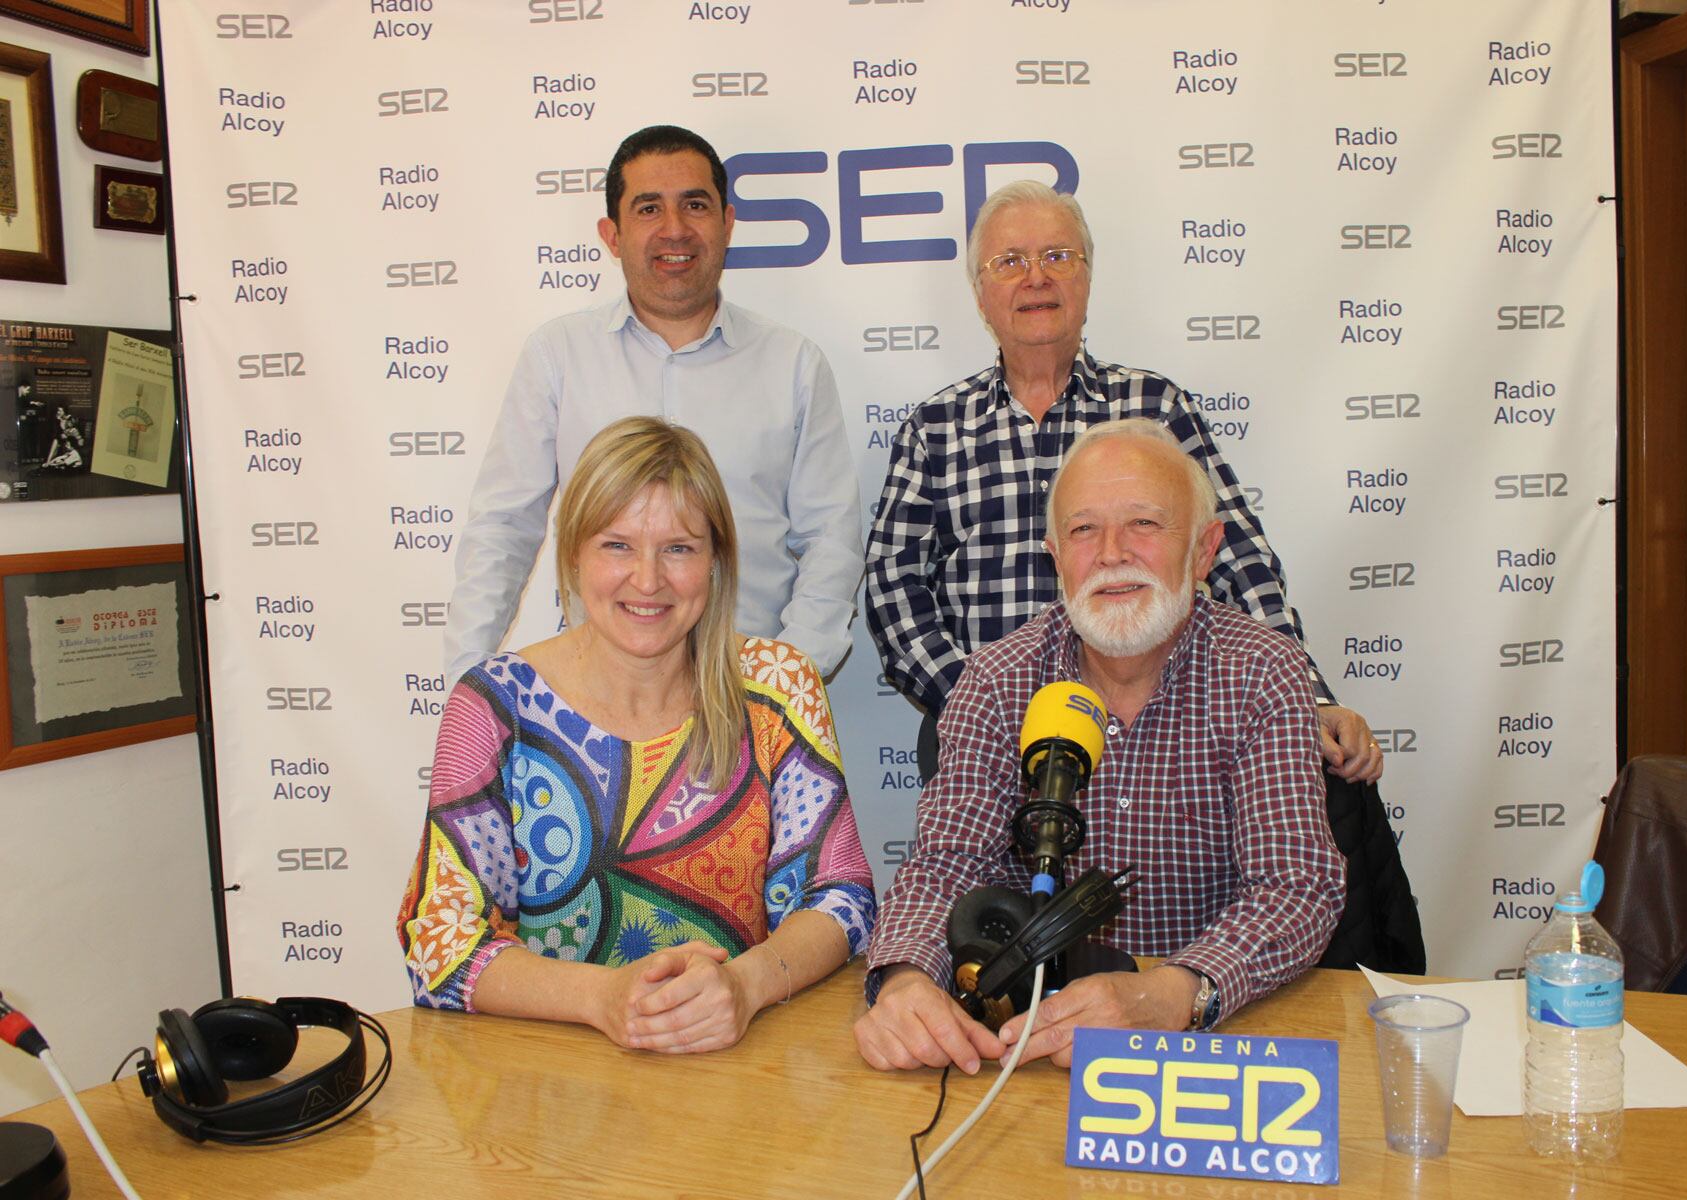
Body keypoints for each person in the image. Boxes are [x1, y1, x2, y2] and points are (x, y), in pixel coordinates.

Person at [855, 419, 1346, 1073]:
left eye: (1144, 524)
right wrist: (905, 980)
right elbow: (945, 869)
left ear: (1203, 552)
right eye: (1084, 530)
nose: (1112, 553)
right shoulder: (999, 679)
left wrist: (1171, 994)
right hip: (1025, 1050)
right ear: (1056, 557)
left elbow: (1295, 886)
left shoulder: (1262, 670)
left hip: (1207, 1039)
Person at [864, 180, 1381, 783]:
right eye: (1010, 262)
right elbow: (892, 591)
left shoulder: (1155, 407)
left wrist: (1306, 699)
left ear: (1087, 278)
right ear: (980, 294)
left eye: (1057, 256)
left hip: (1161, 729)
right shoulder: (936, 428)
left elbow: (1238, 559)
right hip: (986, 741)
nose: (1036, 277)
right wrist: (982, 709)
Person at [402, 417, 876, 1053]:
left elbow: (840, 898)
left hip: (741, 1071)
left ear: (715, 562)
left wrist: (744, 986)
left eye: (678, 548)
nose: (648, 580)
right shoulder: (494, 705)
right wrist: (602, 999)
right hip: (549, 1083)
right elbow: (439, 940)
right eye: (617, 545)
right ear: (573, 553)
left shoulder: (778, 688)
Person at [446, 124, 861, 681]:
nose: (674, 229)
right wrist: (469, 683)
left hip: (746, 693)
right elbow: (503, 528)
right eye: (648, 209)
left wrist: (786, 680)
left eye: (695, 205)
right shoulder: (558, 356)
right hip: (597, 704)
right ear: (612, 236)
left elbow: (832, 541)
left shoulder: (793, 364)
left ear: (727, 223)